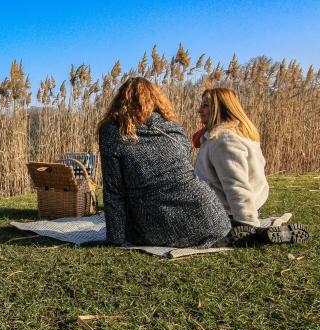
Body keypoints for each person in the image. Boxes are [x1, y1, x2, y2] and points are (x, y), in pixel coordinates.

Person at [97, 77, 231, 248]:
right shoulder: (174, 128)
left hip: (155, 226)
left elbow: (113, 189)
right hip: (210, 217)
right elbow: (185, 166)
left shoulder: (112, 130)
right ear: (156, 99)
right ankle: (240, 235)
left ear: (120, 101)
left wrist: (115, 239)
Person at [193, 88, 310, 244]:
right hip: (244, 207)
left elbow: (236, 184)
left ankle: (254, 235)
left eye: (205, 106)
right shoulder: (241, 134)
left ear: (220, 108)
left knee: (188, 231)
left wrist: (247, 223)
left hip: (226, 212)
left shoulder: (224, 140)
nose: (199, 110)